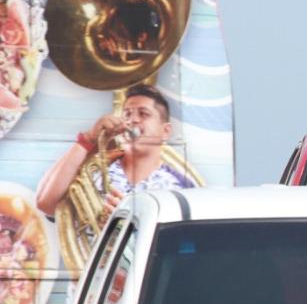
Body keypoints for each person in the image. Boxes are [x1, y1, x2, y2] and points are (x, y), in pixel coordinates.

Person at [35, 83, 198, 219]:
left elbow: (190, 245)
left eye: (143, 114)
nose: (132, 120)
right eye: (127, 114)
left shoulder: (180, 186)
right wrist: (88, 140)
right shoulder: (92, 173)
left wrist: (130, 223)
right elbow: (45, 203)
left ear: (166, 131)